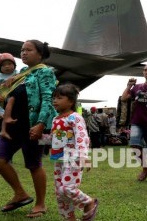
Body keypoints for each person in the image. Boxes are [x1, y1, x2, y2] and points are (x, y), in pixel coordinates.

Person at [0, 39, 56, 218]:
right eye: (22, 50)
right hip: (14, 124)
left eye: (28, 50)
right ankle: (20, 193)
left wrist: (41, 123)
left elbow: (48, 99)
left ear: (40, 54)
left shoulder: (45, 72)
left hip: (35, 125)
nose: (23, 53)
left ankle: (41, 204)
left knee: (34, 164)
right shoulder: (21, 74)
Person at [50, 83, 99, 221]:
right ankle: (69, 218)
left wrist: (83, 156)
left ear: (71, 101)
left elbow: (82, 137)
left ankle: (88, 202)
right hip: (59, 159)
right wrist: (39, 138)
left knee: (67, 188)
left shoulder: (75, 117)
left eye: (59, 98)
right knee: (60, 192)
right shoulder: (55, 119)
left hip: (74, 158)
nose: (55, 101)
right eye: (54, 98)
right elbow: (56, 138)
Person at [0, 53, 18, 140]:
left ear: (14, 65)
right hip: (4, 100)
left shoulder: (17, 73)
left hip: (16, 99)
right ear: (0, 68)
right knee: (4, 115)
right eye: (3, 65)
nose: (7, 66)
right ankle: (3, 131)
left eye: (9, 64)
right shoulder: (0, 77)